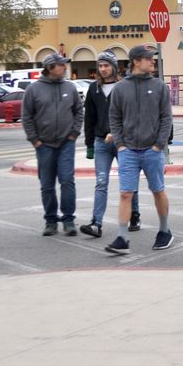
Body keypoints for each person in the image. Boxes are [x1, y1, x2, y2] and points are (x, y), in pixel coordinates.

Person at [106, 44, 174, 254]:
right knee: (126, 193)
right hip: (128, 152)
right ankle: (122, 238)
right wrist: (121, 145)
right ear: (136, 61)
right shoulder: (120, 88)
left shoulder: (159, 86)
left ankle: (164, 231)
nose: (153, 61)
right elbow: (114, 119)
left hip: (151, 150)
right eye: (148, 58)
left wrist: (158, 146)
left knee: (157, 190)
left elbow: (166, 118)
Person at [22, 52, 84, 237]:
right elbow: (27, 117)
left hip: (66, 143)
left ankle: (68, 220)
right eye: (61, 65)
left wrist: (73, 134)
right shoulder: (33, 90)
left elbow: (78, 111)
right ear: (50, 68)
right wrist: (35, 141)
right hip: (44, 145)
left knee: (67, 180)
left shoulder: (70, 88)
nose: (65, 67)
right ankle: (50, 220)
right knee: (47, 184)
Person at [80, 52, 140, 239]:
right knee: (101, 182)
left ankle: (134, 215)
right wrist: (89, 144)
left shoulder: (124, 87)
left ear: (114, 66)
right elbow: (89, 118)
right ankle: (96, 223)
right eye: (100, 66)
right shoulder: (94, 89)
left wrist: (117, 133)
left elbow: (131, 115)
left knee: (127, 181)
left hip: (123, 142)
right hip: (101, 143)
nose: (103, 69)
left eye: (106, 65)